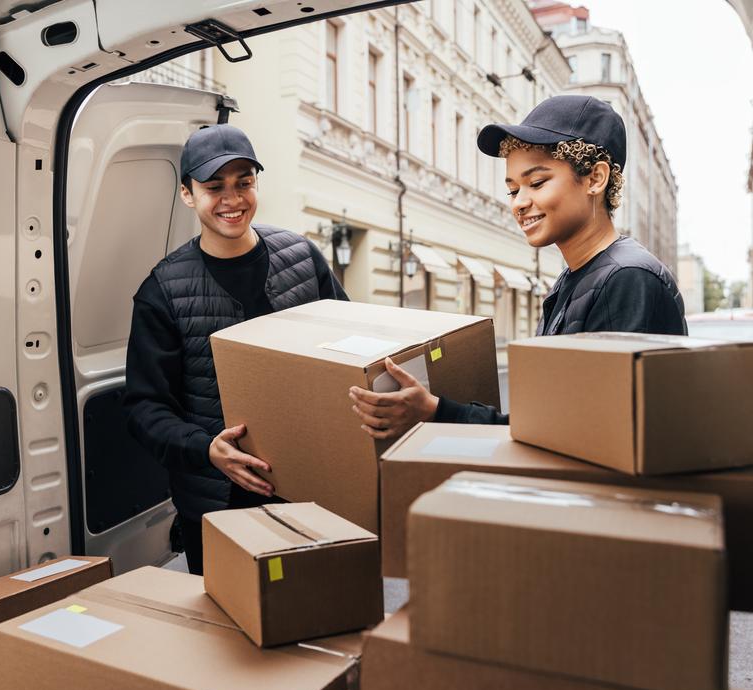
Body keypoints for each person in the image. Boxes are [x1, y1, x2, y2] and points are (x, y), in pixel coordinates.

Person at [349, 94, 687, 432]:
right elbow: (555, 424)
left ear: (595, 179)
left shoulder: (626, 278)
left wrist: (438, 412)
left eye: (537, 183)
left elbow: (588, 437)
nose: (520, 203)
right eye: (513, 190)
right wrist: (434, 410)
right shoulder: (579, 277)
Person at [124, 124, 347, 574]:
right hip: (216, 500)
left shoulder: (302, 257)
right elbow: (145, 408)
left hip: (310, 488)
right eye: (214, 187)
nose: (232, 199)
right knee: (225, 634)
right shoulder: (163, 290)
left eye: (244, 182)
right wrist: (207, 449)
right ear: (187, 194)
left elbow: (345, 351)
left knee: (318, 615)